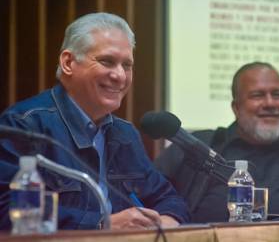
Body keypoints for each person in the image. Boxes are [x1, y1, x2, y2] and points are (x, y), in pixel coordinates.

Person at [0, 13, 189, 230]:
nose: (120, 76)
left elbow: (169, 199)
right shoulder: (24, 126)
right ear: (68, 62)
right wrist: (101, 225)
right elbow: (6, 210)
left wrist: (165, 222)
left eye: (127, 65)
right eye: (107, 61)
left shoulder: (124, 134)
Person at [155, 62, 279, 223]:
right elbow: (150, 199)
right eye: (257, 95)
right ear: (236, 107)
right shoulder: (195, 149)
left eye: (277, 95)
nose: (270, 103)